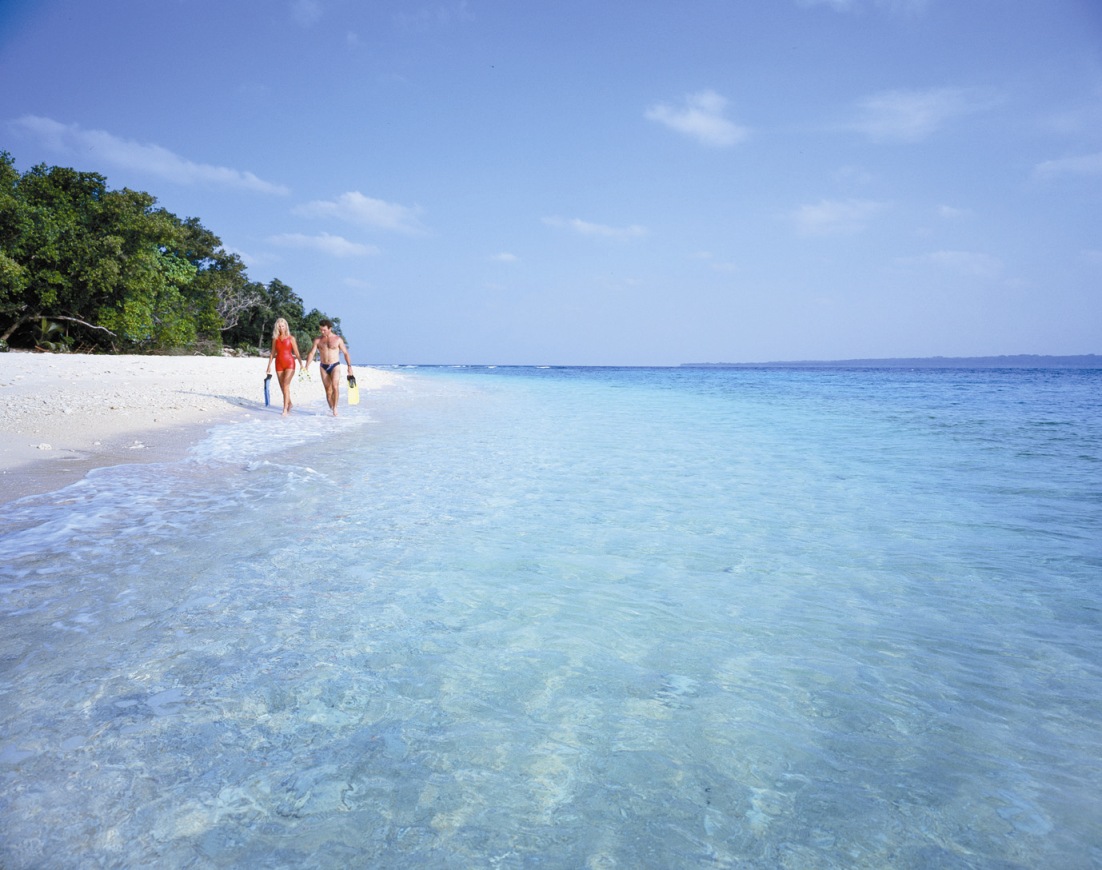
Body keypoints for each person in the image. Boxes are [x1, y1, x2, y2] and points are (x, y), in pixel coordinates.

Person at [303, 319, 353, 416]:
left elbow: (346, 353)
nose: (322, 332)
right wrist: (306, 366)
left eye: (324, 330)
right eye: (321, 330)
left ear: (330, 329)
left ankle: (335, 408)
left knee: (335, 386)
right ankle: (331, 408)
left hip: (335, 365)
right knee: (328, 391)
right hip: (323, 366)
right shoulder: (318, 340)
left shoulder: (338, 339)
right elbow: (312, 353)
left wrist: (349, 367)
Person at [265, 318, 303, 416]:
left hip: (290, 363)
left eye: (283, 325)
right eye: (279, 326)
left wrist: (301, 364)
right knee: (282, 386)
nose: (281, 327)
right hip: (278, 363)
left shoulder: (291, 338)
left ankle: (285, 408)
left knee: (286, 385)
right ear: (277, 327)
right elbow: (273, 352)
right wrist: (269, 365)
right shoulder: (275, 339)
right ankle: (289, 403)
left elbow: (297, 352)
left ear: (286, 326)